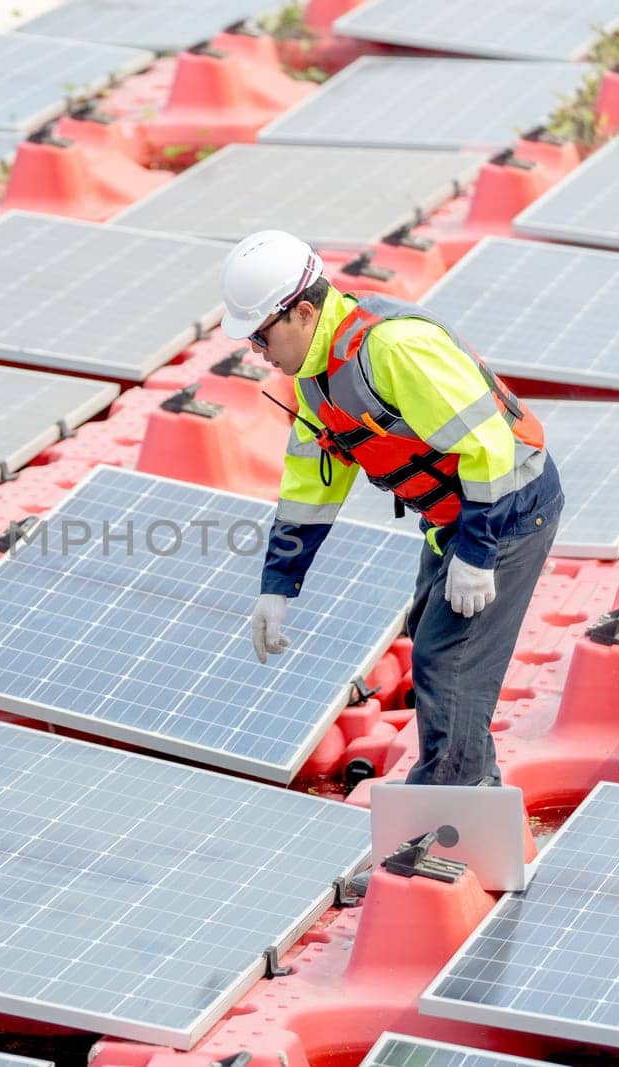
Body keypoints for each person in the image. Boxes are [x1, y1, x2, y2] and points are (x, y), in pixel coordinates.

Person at [219, 230, 564, 786]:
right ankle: (465, 794)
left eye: (260, 337)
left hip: (508, 509)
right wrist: (277, 584)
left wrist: (478, 554)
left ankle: (454, 814)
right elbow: (311, 487)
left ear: (303, 314)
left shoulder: (394, 350)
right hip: (454, 520)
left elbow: (489, 447)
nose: (256, 354)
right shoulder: (314, 379)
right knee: (429, 635)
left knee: (448, 663)